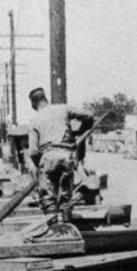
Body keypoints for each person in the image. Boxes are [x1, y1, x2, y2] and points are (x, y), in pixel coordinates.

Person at [27, 87, 94, 223]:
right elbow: (89, 115)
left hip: (48, 157)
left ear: (34, 104)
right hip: (66, 155)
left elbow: (33, 152)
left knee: (48, 200)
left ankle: (52, 231)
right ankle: (67, 229)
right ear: (45, 99)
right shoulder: (63, 109)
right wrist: (79, 134)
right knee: (65, 199)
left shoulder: (34, 121)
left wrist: (39, 167)